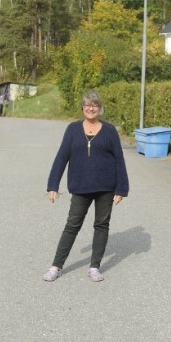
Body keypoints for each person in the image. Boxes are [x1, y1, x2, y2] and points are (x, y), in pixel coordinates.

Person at [43, 90, 129, 282]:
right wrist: (53, 185)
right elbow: (62, 156)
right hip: (80, 186)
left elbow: (119, 160)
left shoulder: (109, 131)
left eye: (95, 105)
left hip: (106, 187)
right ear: (82, 107)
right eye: (88, 105)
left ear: (100, 108)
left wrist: (121, 188)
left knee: (101, 225)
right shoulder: (72, 129)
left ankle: (94, 267)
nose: (91, 108)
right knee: (72, 225)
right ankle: (56, 266)